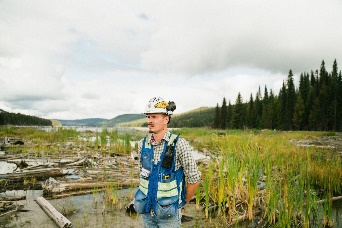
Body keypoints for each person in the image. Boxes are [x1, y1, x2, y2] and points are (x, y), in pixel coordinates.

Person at [133, 97, 201, 228]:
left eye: (154, 117)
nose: (150, 121)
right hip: (146, 212)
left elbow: (195, 178)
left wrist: (182, 203)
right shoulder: (142, 144)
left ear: (166, 119)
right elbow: (143, 176)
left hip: (169, 217)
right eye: (148, 117)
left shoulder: (179, 144)